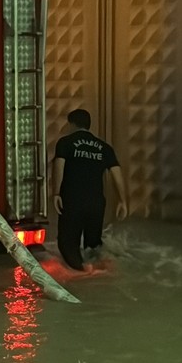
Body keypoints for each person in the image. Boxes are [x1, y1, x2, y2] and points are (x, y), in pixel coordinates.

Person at [50, 109, 128, 272]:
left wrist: (56, 193)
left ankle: (82, 271)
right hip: (96, 202)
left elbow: (59, 167)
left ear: (71, 124)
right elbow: (116, 174)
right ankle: (100, 268)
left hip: (73, 201)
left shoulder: (65, 142)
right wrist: (122, 200)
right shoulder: (104, 147)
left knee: (67, 242)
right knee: (93, 244)